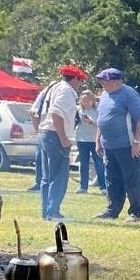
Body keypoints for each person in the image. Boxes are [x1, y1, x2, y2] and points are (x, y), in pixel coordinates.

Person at [94, 68, 140, 222]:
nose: (101, 83)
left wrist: (136, 142)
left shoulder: (129, 94)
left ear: (114, 81)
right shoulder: (104, 95)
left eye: (103, 80)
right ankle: (112, 210)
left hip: (129, 145)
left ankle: (135, 212)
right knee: (112, 179)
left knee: (133, 179)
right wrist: (98, 141)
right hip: (109, 145)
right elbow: (100, 120)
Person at [38, 64, 87, 221]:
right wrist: (63, 138)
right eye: (79, 80)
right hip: (55, 136)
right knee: (59, 176)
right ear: (73, 79)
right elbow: (57, 114)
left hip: (46, 134)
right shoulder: (66, 91)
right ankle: (53, 212)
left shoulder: (54, 87)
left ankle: (46, 211)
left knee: (47, 177)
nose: (80, 84)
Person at [75, 90, 106, 195]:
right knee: (84, 164)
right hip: (81, 139)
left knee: (99, 163)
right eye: (84, 100)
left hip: (94, 140)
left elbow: (101, 125)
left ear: (93, 100)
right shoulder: (78, 110)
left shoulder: (97, 110)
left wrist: (91, 122)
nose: (86, 102)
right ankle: (83, 187)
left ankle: (103, 187)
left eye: (89, 100)